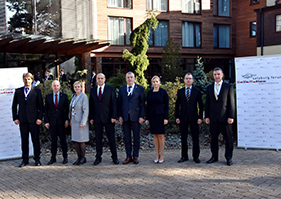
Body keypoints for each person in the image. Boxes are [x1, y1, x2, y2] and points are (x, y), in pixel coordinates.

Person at [12, 72, 44, 167]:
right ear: (23, 80)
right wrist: (15, 118)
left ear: (32, 80)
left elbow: (41, 106)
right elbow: (14, 106)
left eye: (29, 79)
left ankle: (37, 159)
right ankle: (25, 159)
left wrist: (39, 118)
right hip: (23, 120)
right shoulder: (18, 91)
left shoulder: (37, 91)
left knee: (36, 140)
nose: (27, 81)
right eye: (25, 79)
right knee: (24, 141)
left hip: (34, 120)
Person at [205, 67, 235, 166]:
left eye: (218, 74)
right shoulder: (209, 87)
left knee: (228, 139)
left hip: (225, 118)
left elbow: (231, 103)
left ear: (222, 75)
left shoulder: (228, 87)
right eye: (215, 74)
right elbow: (207, 103)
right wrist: (207, 116)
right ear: (213, 76)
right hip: (213, 118)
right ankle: (214, 157)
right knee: (213, 138)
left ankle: (228, 158)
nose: (217, 76)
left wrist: (231, 116)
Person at [89, 73, 119, 165]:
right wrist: (91, 117)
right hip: (97, 118)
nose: (100, 80)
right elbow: (91, 105)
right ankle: (98, 157)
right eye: (98, 78)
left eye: (102, 78)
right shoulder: (93, 90)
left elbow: (114, 104)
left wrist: (114, 116)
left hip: (108, 118)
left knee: (111, 139)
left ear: (105, 79)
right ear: (96, 79)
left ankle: (114, 157)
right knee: (98, 139)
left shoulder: (110, 89)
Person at [175, 73, 203, 164]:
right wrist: (177, 117)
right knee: (183, 138)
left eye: (190, 78)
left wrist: (200, 117)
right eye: (186, 78)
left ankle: (196, 157)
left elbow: (201, 105)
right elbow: (177, 105)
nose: (188, 80)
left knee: (195, 138)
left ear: (193, 80)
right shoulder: (180, 91)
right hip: (183, 118)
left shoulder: (197, 91)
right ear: (184, 80)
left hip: (194, 118)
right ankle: (184, 156)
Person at [118, 72, 145, 164]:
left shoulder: (140, 89)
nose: (129, 79)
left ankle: (136, 156)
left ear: (134, 78)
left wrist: (142, 116)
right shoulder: (121, 89)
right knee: (127, 138)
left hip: (136, 117)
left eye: (131, 77)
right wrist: (120, 116)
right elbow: (119, 104)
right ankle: (128, 156)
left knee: (136, 137)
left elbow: (142, 104)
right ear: (126, 79)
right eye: (128, 77)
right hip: (125, 117)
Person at [44, 80, 69, 165]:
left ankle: (65, 157)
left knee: (63, 140)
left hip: (62, 122)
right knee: (53, 141)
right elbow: (46, 110)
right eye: (54, 85)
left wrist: (67, 120)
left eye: (57, 85)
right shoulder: (48, 97)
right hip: (52, 122)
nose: (56, 87)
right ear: (52, 86)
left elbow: (67, 110)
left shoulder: (64, 96)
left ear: (59, 86)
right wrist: (46, 121)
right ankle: (53, 158)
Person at [145, 76, 169, 164]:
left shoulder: (163, 92)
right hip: (152, 116)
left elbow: (166, 106)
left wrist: (166, 118)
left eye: (157, 81)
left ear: (159, 82)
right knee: (155, 135)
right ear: (152, 83)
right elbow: (147, 106)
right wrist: (147, 118)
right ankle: (157, 155)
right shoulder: (150, 93)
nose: (155, 83)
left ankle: (162, 155)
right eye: (153, 81)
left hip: (161, 116)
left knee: (161, 136)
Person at [69, 81, 89, 165]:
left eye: (78, 87)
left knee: (81, 141)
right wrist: (70, 119)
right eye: (75, 87)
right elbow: (71, 109)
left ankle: (83, 158)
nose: (77, 88)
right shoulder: (74, 96)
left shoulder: (84, 97)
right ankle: (78, 157)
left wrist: (83, 122)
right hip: (74, 121)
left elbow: (86, 110)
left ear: (81, 87)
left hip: (81, 122)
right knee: (76, 140)